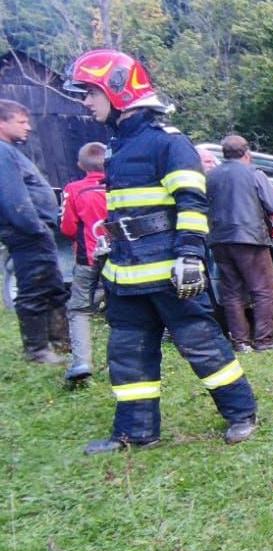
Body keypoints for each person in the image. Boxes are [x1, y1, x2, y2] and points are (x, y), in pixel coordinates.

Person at [66, 48, 257, 453]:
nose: (86, 101)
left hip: (170, 273)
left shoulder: (169, 144)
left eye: (91, 92)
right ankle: (136, 432)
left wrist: (190, 256)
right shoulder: (116, 147)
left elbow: (192, 202)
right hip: (125, 276)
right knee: (128, 356)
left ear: (117, 88)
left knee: (202, 346)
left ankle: (242, 413)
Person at [0, 99, 70, 364]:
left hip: (37, 233)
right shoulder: (2, 153)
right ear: (2, 123)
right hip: (28, 234)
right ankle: (37, 351)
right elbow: (12, 197)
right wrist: (35, 227)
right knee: (34, 288)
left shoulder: (11, 151)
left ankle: (60, 342)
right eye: (21, 121)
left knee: (52, 286)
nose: (28, 127)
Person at [206, 134, 273, 352]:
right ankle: (263, 341)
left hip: (219, 239)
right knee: (263, 290)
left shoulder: (210, 176)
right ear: (247, 154)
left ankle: (240, 342)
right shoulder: (255, 174)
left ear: (224, 154)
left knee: (231, 292)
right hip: (251, 239)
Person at [59, 141, 110, 383]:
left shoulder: (73, 189)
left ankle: (81, 363)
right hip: (117, 257)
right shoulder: (117, 186)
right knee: (119, 310)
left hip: (87, 257)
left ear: (80, 164)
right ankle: (119, 363)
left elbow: (68, 227)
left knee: (79, 309)